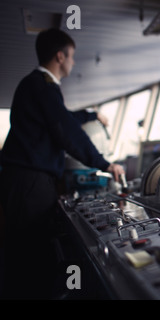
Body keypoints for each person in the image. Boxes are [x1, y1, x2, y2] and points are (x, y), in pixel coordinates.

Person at [0, 28, 125, 299]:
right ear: (60, 56)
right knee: (28, 252)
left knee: (24, 250)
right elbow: (66, 131)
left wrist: (91, 114)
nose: (74, 62)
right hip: (30, 184)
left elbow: (62, 118)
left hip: (24, 181)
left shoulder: (35, 86)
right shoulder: (43, 86)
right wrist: (105, 164)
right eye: (72, 56)